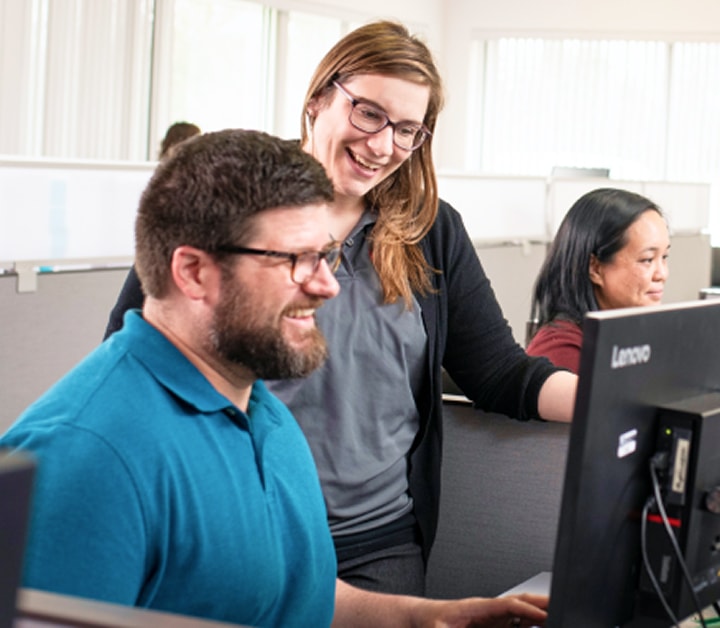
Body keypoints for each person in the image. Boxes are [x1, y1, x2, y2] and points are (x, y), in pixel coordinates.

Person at [0, 129, 550, 628]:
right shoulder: (83, 458)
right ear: (193, 272)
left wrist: (429, 618)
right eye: (294, 260)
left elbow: (296, 597)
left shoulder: (266, 416)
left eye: (325, 255)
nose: (326, 285)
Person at [103, 20, 577, 596]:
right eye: (369, 113)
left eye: (408, 129)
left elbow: (498, 372)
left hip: (378, 541)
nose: (383, 146)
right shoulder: (233, 200)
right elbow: (138, 358)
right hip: (243, 530)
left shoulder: (430, 231)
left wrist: (617, 401)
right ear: (318, 98)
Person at [526, 187, 671, 373]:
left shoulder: (631, 337)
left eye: (664, 257)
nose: (662, 274)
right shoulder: (561, 353)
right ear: (595, 268)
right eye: (647, 260)